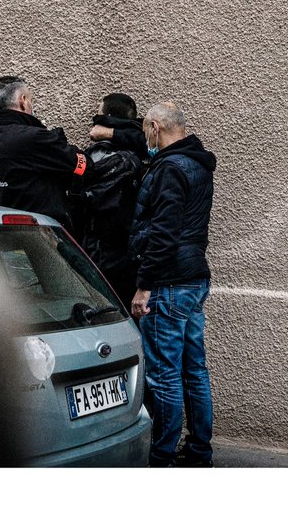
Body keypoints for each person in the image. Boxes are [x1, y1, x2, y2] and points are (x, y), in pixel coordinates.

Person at [128, 101, 217, 467]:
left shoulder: (169, 168)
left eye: (145, 131)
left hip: (168, 283)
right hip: (194, 279)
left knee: (164, 376)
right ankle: (199, 452)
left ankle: (161, 458)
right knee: (194, 369)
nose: (145, 139)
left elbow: (164, 232)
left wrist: (145, 285)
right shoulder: (198, 164)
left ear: (155, 127)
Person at [0, 76, 88, 231]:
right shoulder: (34, 138)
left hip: (4, 238)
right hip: (45, 236)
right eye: (31, 100)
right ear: (23, 100)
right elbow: (84, 166)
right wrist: (63, 147)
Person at [73, 93, 148, 309]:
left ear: (107, 117)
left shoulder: (98, 155)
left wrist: (109, 133)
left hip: (102, 251)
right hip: (130, 253)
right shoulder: (140, 150)